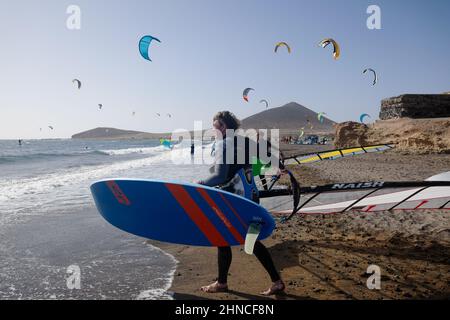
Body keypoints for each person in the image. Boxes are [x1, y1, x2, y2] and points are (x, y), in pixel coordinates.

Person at [195, 111, 285, 296]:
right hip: (251, 196)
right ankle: (277, 282)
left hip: (233, 200)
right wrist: (278, 168)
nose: (214, 131)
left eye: (215, 127)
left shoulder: (223, 144)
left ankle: (221, 283)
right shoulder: (246, 141)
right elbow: (271, 156)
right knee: (252, 241)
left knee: (222, 239)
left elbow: (219, 176)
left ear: (223, 127)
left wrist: (199, 184)